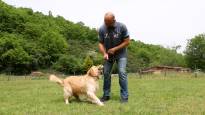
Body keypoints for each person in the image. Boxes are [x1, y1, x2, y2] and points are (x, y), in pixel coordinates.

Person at [98, 12, 130, 103]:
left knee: (122, 72)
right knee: (106, 73)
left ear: (114, 20)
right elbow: (100, 42)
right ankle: (106, 95)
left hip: (121, 54)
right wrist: (104, 53)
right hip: (109, 55)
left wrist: (115, 49)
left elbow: (127, 42)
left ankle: (124, 97)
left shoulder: (122, 27)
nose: (106, 24)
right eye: (105, 22)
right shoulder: (102, 29)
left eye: (108, 22)